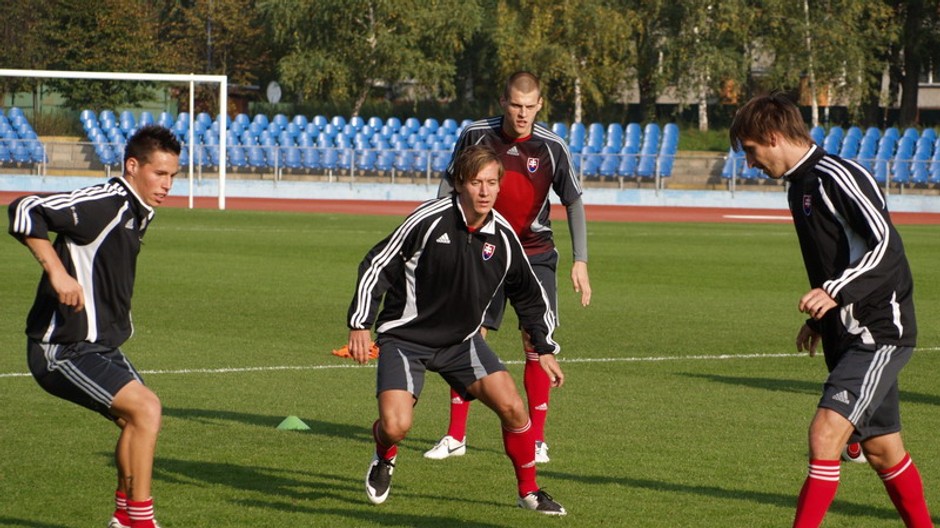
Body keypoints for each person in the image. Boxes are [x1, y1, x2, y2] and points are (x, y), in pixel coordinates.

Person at [729, 93, 932, 528]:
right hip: (846, 330)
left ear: (773, 136)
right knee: (882, 450)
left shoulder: (837, 176)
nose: (750, 163)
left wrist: (834, 292)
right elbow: (835, 259)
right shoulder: (799, 186)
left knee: (825, 434)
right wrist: (820, 318)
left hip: (879, 330)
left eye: (750, 151)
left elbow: (885, 246)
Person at [347, 144, 567, 515]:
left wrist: (544, 347)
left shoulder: (505, 238)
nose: (485, 191)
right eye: (477, 182)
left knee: (514, 407)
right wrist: (360, 323)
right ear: (461, 184)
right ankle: (384, 453)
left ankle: (528, 491)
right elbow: (377, 263)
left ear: (500, 187)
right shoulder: (428, 219)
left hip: (461, 343)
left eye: (492, 183)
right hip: (405, 338)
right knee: (397, 425)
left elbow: (529, 295)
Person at [8, 125, 181, 528]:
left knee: (138, 420)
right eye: (159, 173)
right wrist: (56, 272)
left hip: (101, 346)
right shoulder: (106, 200)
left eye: (173, 175)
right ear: (132, 166)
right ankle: (140, 521)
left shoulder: (136, 210)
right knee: (146, 410)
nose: (167, 184)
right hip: (62, 346)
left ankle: (123, 517)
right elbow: (23, 209)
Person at [427, 71, 591, 463]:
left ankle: (536, 439)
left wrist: (580, 260)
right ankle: (455, 436)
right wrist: (441, 241)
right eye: (515, 105)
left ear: (540, 105)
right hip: (483, 248)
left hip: (535, 255)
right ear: (503, 102)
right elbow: (450, 185)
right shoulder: (475, 135)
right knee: (466, 334)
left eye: (529, 107)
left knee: (536, 340)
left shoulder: (552, 146)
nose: (522, 113)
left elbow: (574, 201)